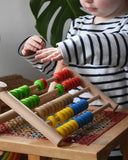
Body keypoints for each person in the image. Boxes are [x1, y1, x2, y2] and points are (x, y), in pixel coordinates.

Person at [18, 0, 128, 159]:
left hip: (116, 128)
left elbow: (120, 47)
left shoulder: (124, 24)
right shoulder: (78, 25)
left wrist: (71, 48)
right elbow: (63, 71)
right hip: (78, 122)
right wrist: (36, 54)